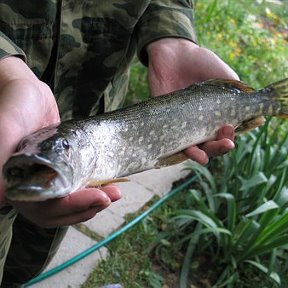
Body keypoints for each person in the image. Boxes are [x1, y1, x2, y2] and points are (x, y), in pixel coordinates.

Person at [0, 1, 237, 286]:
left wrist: (173, 38)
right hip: (11, 110)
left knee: (26, 266)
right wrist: (8, 72)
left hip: (91, 111)